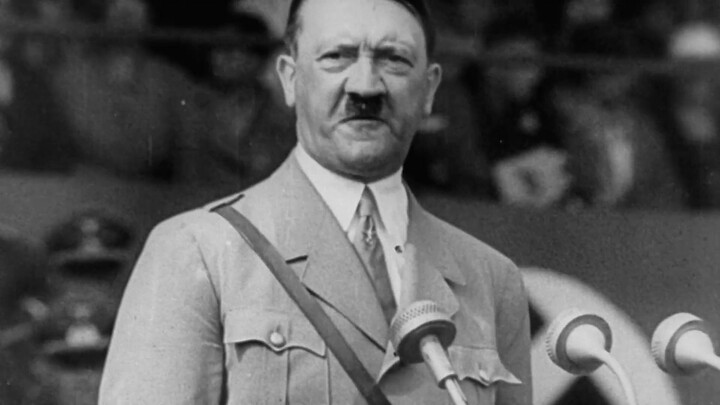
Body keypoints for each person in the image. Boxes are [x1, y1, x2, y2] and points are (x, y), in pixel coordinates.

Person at [99, 0, 532, 403]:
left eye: (395, 59)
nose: (366, 86)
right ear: (290, 78)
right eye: (336, 56)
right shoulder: (198, 251)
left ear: (430, 89)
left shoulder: (492, 281)